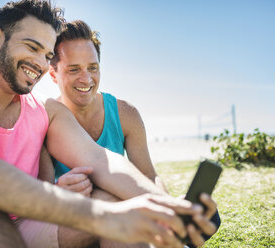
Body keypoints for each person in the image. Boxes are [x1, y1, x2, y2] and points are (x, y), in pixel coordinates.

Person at [0, 1, 217, 248]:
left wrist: (172, 209)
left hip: (25, 227)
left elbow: (101, 160)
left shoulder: (46, 111)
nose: (39, 63)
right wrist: (102, 218)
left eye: (46, 55)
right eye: (32, 47)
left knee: (109, 199)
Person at [48, 20, 220, 248]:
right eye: (73, 69)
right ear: (53, 74)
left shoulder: (125, 115)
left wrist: (168, 205)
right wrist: (58, 188)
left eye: (93, 67)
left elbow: (149, 175)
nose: (87, 79)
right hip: (75, 222)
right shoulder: (45, 120)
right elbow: (36, 192)